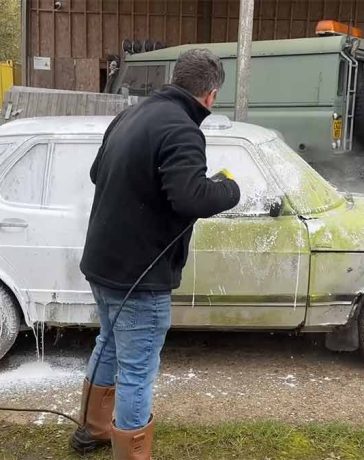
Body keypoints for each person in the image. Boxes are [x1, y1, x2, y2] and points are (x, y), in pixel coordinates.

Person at [70, 49, 241, 459]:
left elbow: (98, 174)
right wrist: (228, 188)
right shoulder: (182, 129)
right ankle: (130, 454)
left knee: (108, 344)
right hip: (140, 278)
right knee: (136, 370)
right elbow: (189, 197)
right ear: (210, 95)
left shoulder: (131, 115)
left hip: (103, 264)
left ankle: (92, 431)